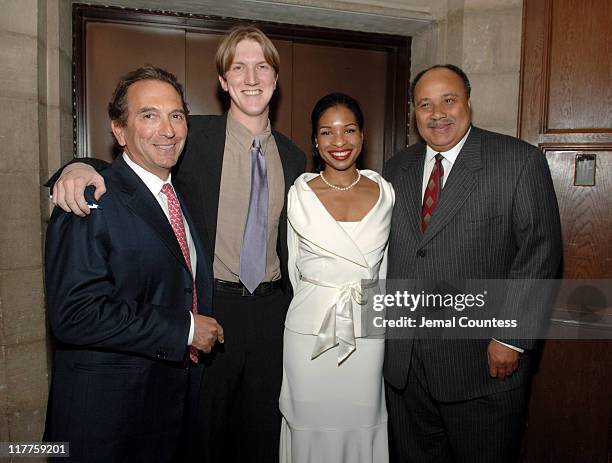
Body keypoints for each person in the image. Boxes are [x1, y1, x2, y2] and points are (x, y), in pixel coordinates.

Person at [47, 26, 306, 463]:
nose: (251, 77)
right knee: (199, 440)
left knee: (261, 437)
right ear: (222, 81)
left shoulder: (295, 156)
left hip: (270, 313)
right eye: (238, 67)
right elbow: (135, 166)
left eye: (262, 66)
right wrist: (75, 168)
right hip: (209, 310)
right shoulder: (192, 137)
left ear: (276, 79)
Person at [383, 64, 562, 462]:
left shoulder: (518, 162)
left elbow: (540, 253)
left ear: (468, 103)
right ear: (414, 113)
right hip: (406, 368)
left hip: (481, 364)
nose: (437, 113)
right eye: (424, 104)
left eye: (448, 100)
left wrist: (510, 337)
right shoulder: (396, 169)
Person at [43, 65, 223, 462]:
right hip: (108, 423)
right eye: (149, 115)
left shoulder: (177, 194)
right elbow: (74, 314)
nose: (168, 129)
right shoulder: (89, 198)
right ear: (119, 131)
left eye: (176, 115)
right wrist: (185, 328)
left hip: (167, 414)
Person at [279, 93, 394, 462]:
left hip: (366, 331)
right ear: (315, 140)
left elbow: (385, 271)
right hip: (309, 333)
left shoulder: (385, 192)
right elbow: (293, 265)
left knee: (362, 423)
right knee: (308, 425)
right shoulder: (298, 194)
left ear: (363, 136)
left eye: (349, 130)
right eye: (327, 132)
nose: (339, 141)